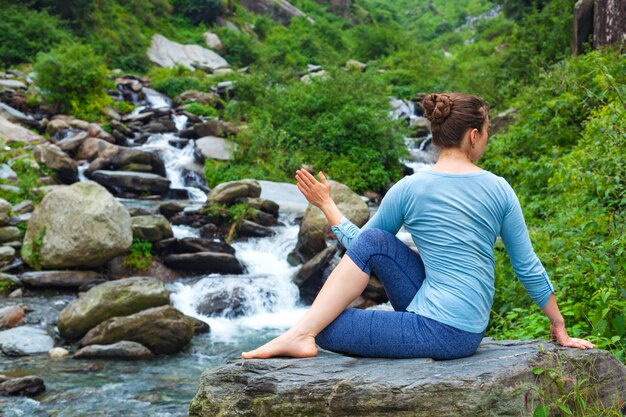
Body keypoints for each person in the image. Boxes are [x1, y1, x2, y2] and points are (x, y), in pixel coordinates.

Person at [241, 92, 595, 360]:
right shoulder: (499, 188)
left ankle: (299, 334)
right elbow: (526, 265)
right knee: (373, 247)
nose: (486, 138)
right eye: (486, 132)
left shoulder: (409, 187)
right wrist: (559, 325)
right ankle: (301, 334)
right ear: (473, 136)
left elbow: (358, 246)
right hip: (455, 321)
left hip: (445, 331)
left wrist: (328, 206)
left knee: (324, 325)